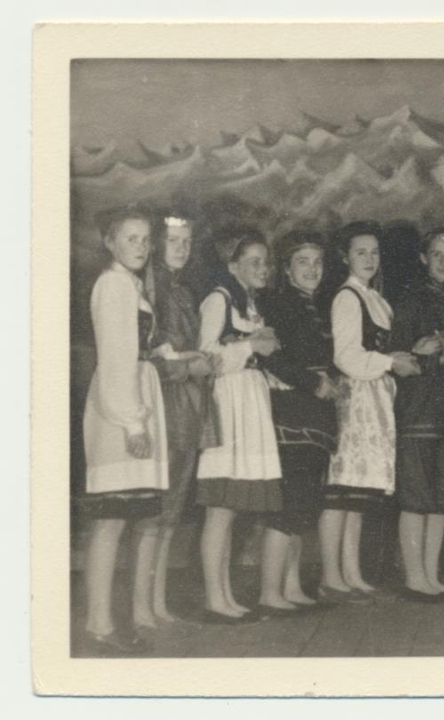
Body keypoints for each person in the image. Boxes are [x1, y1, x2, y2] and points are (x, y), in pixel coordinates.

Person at [79, 207, 170, 654]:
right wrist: (133, 421)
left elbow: (140, 349)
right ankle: (99, 625)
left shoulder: (130, 285)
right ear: (110, 242)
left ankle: (111, 621)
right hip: (119, 407)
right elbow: (116, 357)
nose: (140, 246)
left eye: (145, 239)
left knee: (125, 515)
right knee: (111, 518)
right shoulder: (113, 285)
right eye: (130, 238)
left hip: (134, 397)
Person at [320, 221, 420, 602]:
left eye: (374, 252)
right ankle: (331, 577)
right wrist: (389, 362)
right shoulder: (347, 297)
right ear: (345, 257)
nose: (369, 259)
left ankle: (352, 574)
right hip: (354, 399)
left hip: (374, 397)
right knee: (341, 490)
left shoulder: (375, 298)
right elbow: (345, 356)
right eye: (360, 252)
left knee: (358, 494)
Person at [195, 225, 283, 622]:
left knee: (230, 508)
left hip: (248, 402)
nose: (263, 268)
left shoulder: (248, 302)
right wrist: (251, 346)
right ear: (233, 266)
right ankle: (215, 599)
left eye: (266, 262)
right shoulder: (219, 299)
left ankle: (226, 596)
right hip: (227, 405)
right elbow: (207, 356)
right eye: (254, 262)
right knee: (220, 506)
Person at [140, 210, 218, 629]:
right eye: (174, 241)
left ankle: (157, 602)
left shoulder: (183, 290)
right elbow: (146, 360)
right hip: (160, 405)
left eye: (187, 241)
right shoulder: (147, 290)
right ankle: (142, 606)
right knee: (153, 513)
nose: (182, 249)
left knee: (171, 512)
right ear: (157, 243)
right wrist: (189, 365)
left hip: (187, 408)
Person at [257, 229, 339, 612]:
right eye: (302, 262)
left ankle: (290, 587)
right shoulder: (278, 304)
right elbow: (271, 357)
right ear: (287, 269)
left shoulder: (315, 306)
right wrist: (314, 382)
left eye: (317, 262)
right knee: (288, 505)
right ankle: (269, 593)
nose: (312, 269)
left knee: (303, 504)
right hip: (291, 412)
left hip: (315, 413)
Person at [389, 227, 444, 601]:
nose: (443, 261)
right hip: (417, 407)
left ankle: (431, 574)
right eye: (436, 254)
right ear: (423, 258)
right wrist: (418, 351)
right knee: (416, 495)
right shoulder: (409, 298)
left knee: (442, 497)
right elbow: (395, 354)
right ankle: (414, 577)